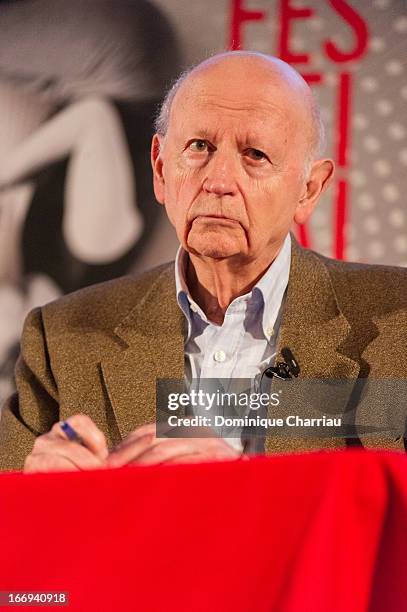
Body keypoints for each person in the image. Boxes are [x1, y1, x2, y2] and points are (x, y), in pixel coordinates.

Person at [0, 51, 406, 472]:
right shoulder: (63, 340)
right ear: (160, 170)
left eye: (255, 155)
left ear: (309, 189)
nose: (219, 181)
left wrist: (240, 477)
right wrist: (36, 497)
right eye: (199, 147)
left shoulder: (399, 322)